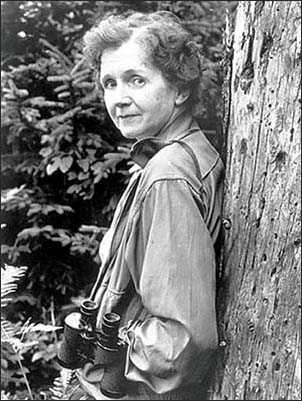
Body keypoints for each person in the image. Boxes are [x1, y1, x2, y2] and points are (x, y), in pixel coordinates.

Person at [77, 10, 225, 400]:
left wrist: (115, 367)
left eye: (136, 80)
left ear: (179, 89)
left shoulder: (167, 175)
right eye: (109, 83)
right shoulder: (171, 159)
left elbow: (181, 342)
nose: (118, 99)